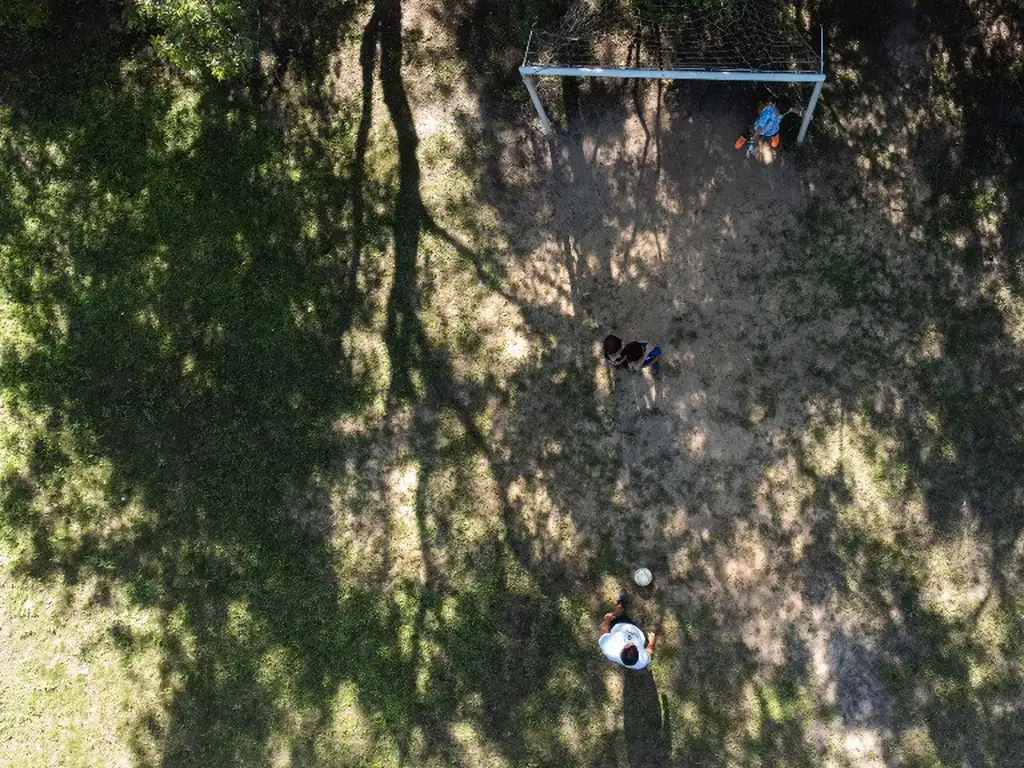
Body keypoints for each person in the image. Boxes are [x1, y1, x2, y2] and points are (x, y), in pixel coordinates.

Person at [599, 590, 657, 670]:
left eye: (629, 644)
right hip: (638, 633)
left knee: (618, 613)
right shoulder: (642, 661)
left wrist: (607, 619)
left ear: (622, 650)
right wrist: (651, 642)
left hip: (619, 625)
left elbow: (603, 629)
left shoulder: (608, 646)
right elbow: (649, 652)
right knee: (639, 620)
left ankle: (621, 603)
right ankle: (638, 620)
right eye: (635, 647)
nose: (632, 642)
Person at [734, 96, 802, 151]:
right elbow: (759, 128)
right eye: (778, 113)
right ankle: (743, 138)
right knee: (750, 131)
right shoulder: (767, 114)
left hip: (773, 128)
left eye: (781, 114)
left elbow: (791, 109)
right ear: (775, 106)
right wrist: (753, 140)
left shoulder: (783, 109)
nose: (779, 115)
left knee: (774, 132)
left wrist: (800, 113)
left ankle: (774, 136)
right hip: (759, 129)